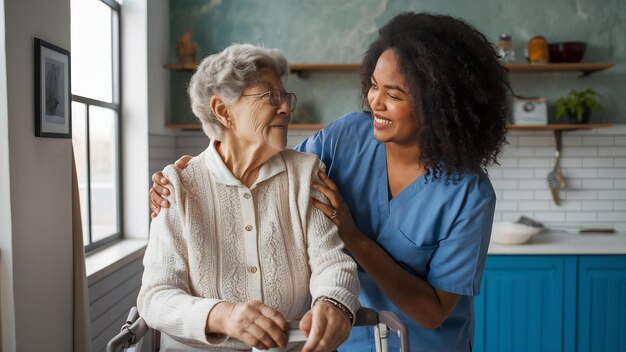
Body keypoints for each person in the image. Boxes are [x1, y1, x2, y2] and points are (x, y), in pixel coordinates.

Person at [150, 12, 510, 351]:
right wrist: (197, 171)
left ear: (438, 105)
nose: (375, 102)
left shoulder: (469, 194)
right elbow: (266, 161)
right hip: (345, 340)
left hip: (420, 343)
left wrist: (353, 236)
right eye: (373, 86)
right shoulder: (348, 136)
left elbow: (433, 312)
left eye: (394, 94)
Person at [138, 43, 360, 352]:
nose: (285, 108)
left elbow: (332, 261)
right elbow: (155, 296)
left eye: (285, 97)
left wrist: (333, 301)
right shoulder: (178, 185)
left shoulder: (304, 173)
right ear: (222, 110)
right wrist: (222, 315)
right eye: (271, 96)